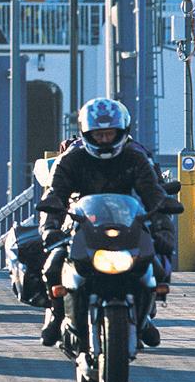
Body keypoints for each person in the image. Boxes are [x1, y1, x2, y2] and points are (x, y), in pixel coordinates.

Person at [37, 97, 167, 348]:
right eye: (99, 135)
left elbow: (154, 195)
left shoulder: (136, 157)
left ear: (122, 132)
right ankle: (56, 314)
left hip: (127, 224)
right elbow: (54, 195)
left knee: (155, 267)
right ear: (86, 133)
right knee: (52, 266)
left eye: (109, 134)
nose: (105, 139)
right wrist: (50, 227)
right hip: (81, 225)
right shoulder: (71, 159)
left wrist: (162, 226)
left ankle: (145, 317)